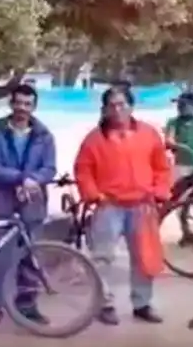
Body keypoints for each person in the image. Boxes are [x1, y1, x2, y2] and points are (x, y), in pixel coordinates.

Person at [74, 86, 172, 326]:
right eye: (112, 106)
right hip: (109, 207)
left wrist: (159, 191)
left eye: (122, 104)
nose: (117, 110)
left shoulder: (149, 134)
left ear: (131, 106)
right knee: (102, 257)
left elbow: (162, 167)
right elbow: (83, 169)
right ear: (105, 109)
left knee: (143, 258)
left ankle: (142, 304)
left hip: (142, 206)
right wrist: (93, 195)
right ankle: (104, 303)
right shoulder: (94, 139)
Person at [0, 84, 57, 334]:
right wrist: (22, 179)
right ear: (11, 104)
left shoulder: (44, 135)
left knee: (31, 257)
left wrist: (33, 181)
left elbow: (49, 168)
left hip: (32, 203)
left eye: (27, 104)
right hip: (2, 203)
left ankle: (27, 306)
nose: (22, 108)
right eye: (18, 103)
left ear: (34, 107)